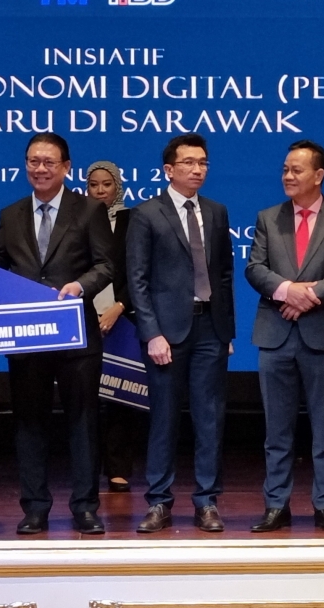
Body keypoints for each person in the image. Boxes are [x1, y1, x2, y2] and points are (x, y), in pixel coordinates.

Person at [0, 133, 114, 535]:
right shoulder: (11, 212)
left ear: (66, 167)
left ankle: (85, 507)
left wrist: (80, 286)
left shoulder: (88, 210)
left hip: (77, 337)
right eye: (33, 161)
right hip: (27, 336)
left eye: (49, 162)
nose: (40, 169)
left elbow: (106, 265)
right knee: (29, 423)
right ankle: (35, 507)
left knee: (83, 422)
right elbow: (1, 265)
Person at [244, 140, 324, 534]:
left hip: (323, 335)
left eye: (296, 170)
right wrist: (286, 290)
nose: (288, 177)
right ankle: (276, 505)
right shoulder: (268, 217)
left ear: (319, 175)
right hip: (275, 334)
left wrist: (307, 295)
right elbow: (255, 268)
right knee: (276, 431)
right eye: (285, 170)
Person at [127, 132, 235, 533]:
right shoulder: (147, 214)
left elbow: (224, 274)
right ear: (169, 169)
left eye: (203, 162)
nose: (197, 169)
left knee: (210, 418)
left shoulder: (217, 211)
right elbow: (137, 280)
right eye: (189, 162)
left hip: (211, 327)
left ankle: (207, 501)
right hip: (167, 333)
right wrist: (151, 332)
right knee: (165, 419)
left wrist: (227, 331)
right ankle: (159, 500)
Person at [87, 160, 141, 493]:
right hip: (86, 316)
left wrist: (119, 306)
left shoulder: (133, 220)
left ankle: (119, 468)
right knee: (87, 397)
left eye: (107, 184)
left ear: (117, 186)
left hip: (124, 316)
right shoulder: (78, 218)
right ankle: (88, 466)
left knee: (123, 396)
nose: (100, 191)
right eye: (94, 185)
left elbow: (140, 269)